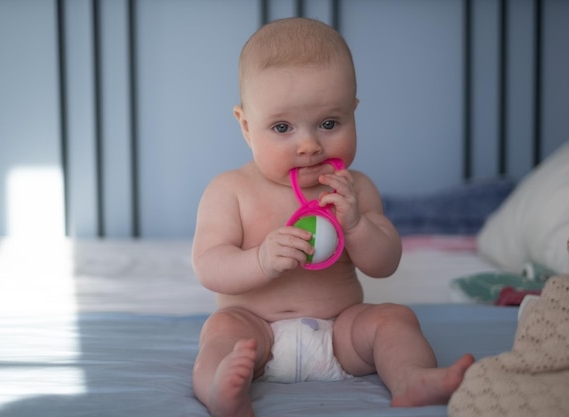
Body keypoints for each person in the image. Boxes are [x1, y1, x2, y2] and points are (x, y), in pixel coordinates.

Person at [191, 17, 474, 417]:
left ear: (353, 112)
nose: (309, 145)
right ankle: (221, 390)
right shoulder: (230, 191)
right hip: (253, 328)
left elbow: (385, 264)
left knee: (394, 318)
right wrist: (260, 260)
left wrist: (357, 225)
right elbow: (208, 266)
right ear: (246, 126)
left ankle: (411, 377)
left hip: (341, 331)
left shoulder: (354, 188)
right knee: (220, 332)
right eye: (282, 127)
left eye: (329, 123)